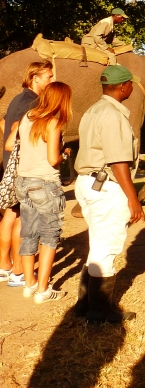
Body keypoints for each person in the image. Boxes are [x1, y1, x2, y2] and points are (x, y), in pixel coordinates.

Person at [73, 65, 145, 323]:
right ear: (123, 86)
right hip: (105, 186)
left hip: (88, 183)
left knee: (98, 244)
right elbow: (118, 162)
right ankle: (100, 311)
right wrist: (133, 199)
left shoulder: (93, 110)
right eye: (131, 84)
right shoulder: (114, 116)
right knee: (107, 247)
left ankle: (84, 304)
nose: (132, 87)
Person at [4, 81, 72, 303]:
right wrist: (64, 155)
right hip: (45, 183)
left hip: (23, 182)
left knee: (28, 233)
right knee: (50, 236)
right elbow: (52, 159)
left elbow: (10, 145)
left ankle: (29, 284)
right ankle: (43, 290)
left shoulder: (27, 117)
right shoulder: (53, 122)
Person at [1, 61, 54, 288]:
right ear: (35, 78)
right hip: (22, 167)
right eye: (48, 76)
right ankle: (18, 270)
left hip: (11, 164)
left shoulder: (18, 98)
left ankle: (4, 266)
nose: (51, 80)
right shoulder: (31, 102)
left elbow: (4, 124)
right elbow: (15, 129)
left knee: (11, 214)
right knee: (24, 218)